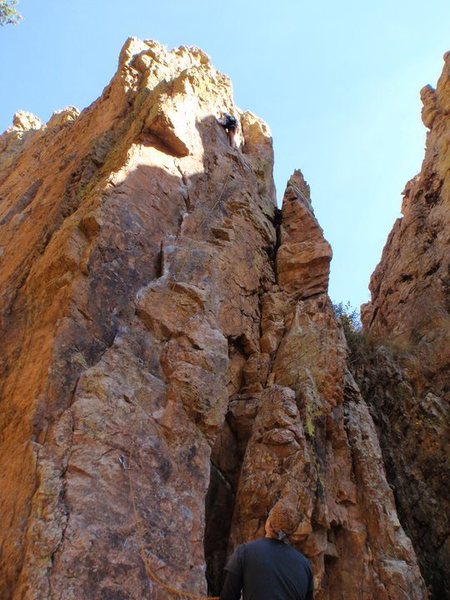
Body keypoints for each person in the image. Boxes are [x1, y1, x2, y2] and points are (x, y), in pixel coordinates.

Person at [220, 503, 314, 600]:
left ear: (268, 524)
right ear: (292, 532)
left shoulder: (245, 552)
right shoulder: (305, 566)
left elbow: (228, 596)